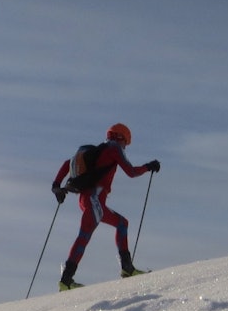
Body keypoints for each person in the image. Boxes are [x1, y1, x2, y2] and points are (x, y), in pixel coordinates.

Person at [51, 123, 160, 291]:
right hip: (94, 201)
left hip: (89, 200)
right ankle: (66, 281)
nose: (125, 147)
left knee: (122, 223)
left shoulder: (99, 150)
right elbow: (131, 172)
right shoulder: (114, 149)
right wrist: (148, 167)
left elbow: (68, 163)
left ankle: (127, 268)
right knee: (84, 237)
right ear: (121, 138)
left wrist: (56, 185)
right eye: (126, 143)